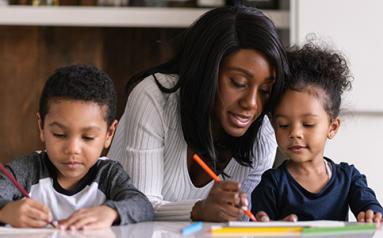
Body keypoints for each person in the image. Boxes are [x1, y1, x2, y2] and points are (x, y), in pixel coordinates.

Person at [107, 5, 289, 222]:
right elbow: (138, 207)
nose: (251, 104)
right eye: (238, 83)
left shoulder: (263, 135)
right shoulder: (154, 97)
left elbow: (240, 220)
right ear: (206, 70)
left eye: (265, 90)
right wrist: (199, 210)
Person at [0, 65, 154, 229]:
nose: (73, 149)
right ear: (42, 127)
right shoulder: (26, 171)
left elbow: (143, 207)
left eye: (88, 137)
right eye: (59, 134)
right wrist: (5, 211)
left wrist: (111, 212)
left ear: (109, 134)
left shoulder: (108, 174)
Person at [251, 42, 383, 223]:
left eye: (308, 124)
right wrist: (268, 228)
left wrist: (371, 212)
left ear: (332, 127)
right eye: (283, 125)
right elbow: (257, 226)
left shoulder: (349, 178)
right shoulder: (272, 184)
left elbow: (370, 205)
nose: (295, 133)